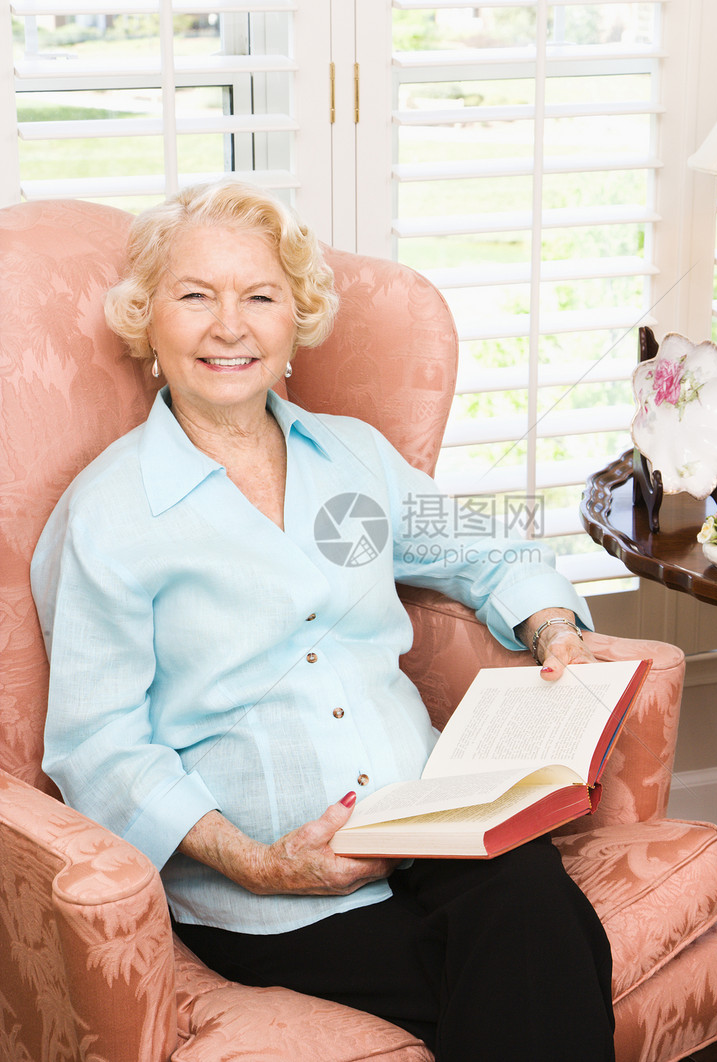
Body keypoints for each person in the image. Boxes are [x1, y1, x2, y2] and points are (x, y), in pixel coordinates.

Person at [30, 181, 614, 1060]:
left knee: (528, 899)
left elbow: (484, 547)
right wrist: (260, 862)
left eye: (260, 297)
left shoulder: (353, 460)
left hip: (434, 830)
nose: (231, 326)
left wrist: (550, 627)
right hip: (268, 894)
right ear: (148, 322)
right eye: (196, 296)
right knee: (545, 954)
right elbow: (98, 743)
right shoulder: (112, 514)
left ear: (294, 321)